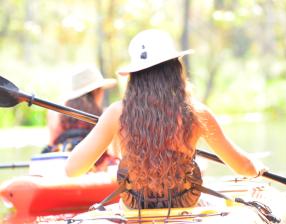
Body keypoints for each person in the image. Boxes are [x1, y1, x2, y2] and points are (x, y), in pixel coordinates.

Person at [65, 29, 266, 209]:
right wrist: (257, 169)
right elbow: (244, 168)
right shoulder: (196, 112)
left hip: (136, 207)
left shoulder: (116, 113)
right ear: (175, 70)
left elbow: (73, 169)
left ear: (135, 76)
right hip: (184, 202)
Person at [43, 66, 119, 172]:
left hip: (63, 166)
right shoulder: (107, 115)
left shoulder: (56, 114)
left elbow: (51, 145)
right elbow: (114, 152)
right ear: (97, 91)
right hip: (96, 169)